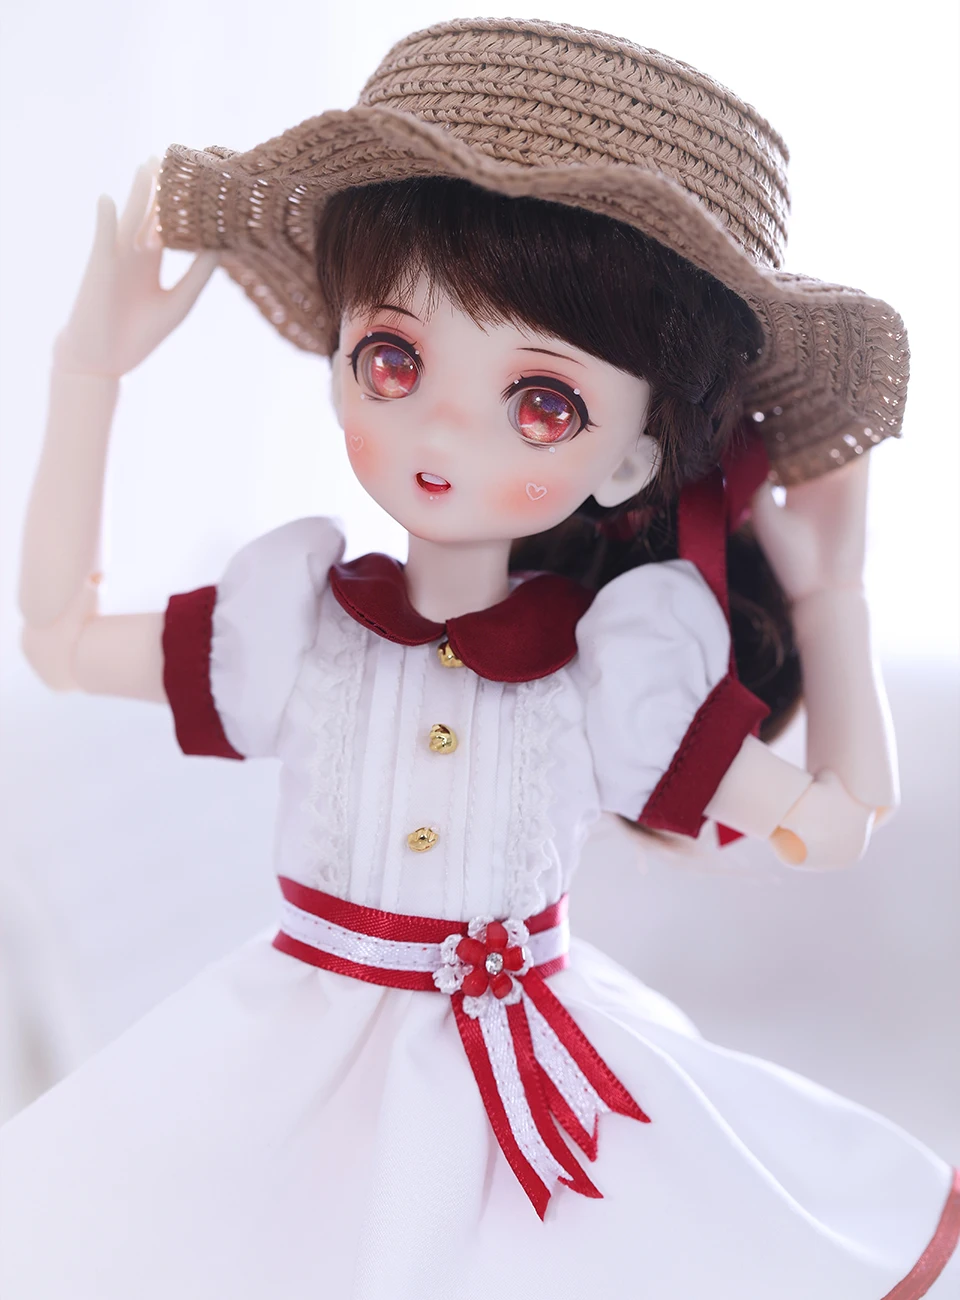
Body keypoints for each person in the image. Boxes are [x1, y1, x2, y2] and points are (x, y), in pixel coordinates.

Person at [2, 17, 957, 1299]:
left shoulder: (614, 679)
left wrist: (835, 593)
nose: (444, 428)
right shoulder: (295, 626)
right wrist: (87, 374)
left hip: (531, 1093)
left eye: (543, 402)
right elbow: (58, 641)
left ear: (632, 458)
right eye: (392, 358)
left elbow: (839, 824)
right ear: (337, 356)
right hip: (286, 1072)